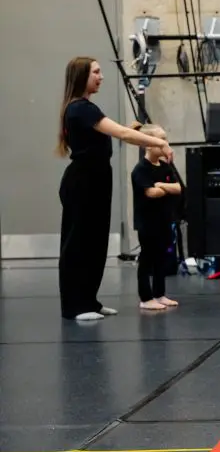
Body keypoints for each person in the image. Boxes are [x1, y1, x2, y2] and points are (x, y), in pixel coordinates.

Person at [56, 57, 175, 321]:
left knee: (95, 242)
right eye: (96, 72)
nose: (101, 76)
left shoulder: (86, 108)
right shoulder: (80, 109)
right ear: (82, 76)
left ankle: (89, 301)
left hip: (96, 179)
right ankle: (74, 306)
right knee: (78, 243)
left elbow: (111, 133)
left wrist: (132, 130)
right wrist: (159, 141)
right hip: (83, 181)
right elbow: (124, 135)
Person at [129, 123, 182, 311]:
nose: (166, 144)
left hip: (163, 220)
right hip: (147, 222)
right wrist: (162, 188)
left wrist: (161, 185)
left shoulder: (165, 167)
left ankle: (159, 294)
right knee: (147, 259)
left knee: (161, 258)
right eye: (161, 140)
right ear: (148, 144)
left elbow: (178, 188)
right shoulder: (140, 169)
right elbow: (151, 193)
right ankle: (146, 297)